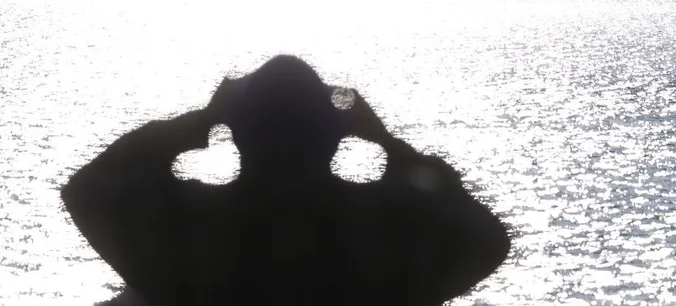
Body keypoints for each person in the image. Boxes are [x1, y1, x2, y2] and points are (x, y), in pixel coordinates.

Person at [62, 55, 511, 306]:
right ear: (336, 136)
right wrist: (387, 143)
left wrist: (200, 120)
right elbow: (489, 240)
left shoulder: (191, 230)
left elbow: (85, 188)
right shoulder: (385, 232)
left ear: (237, 133)